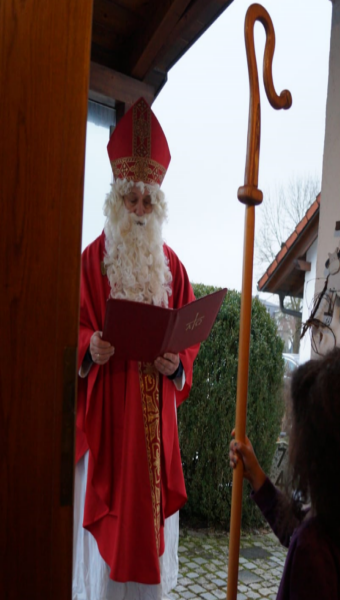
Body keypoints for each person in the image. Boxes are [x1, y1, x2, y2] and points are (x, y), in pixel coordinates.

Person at [73, 97, 199, 600]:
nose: (141, 211)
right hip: (107, 416)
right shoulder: (91, 261)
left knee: (148, 539)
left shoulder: (174, 266)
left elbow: (188, 345)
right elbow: (76, 329)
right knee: (108, 560)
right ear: (117, 200)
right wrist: (91, 349)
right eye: (132, 200)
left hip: (153, 426)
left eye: (149, 201)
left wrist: (176, 368)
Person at [229, 347, 340, 600]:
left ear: (315, 452)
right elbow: (294, 528)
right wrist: (257, 477)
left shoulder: (312, 548)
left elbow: (301, 537)